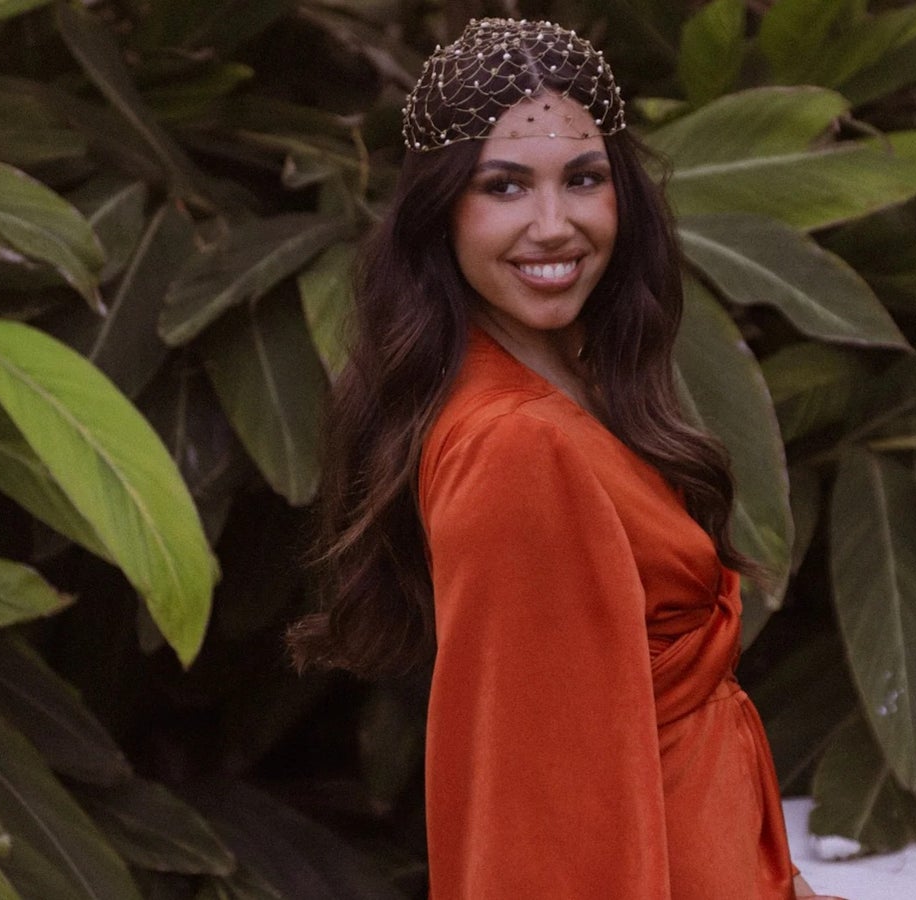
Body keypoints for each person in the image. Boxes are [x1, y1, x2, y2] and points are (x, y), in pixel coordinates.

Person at [289, 18, 842, 900]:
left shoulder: (585, 379)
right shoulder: (516, 446)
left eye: (583, 178)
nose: (554, 226)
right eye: (504, 186)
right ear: (441, 213)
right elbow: (540, 805)